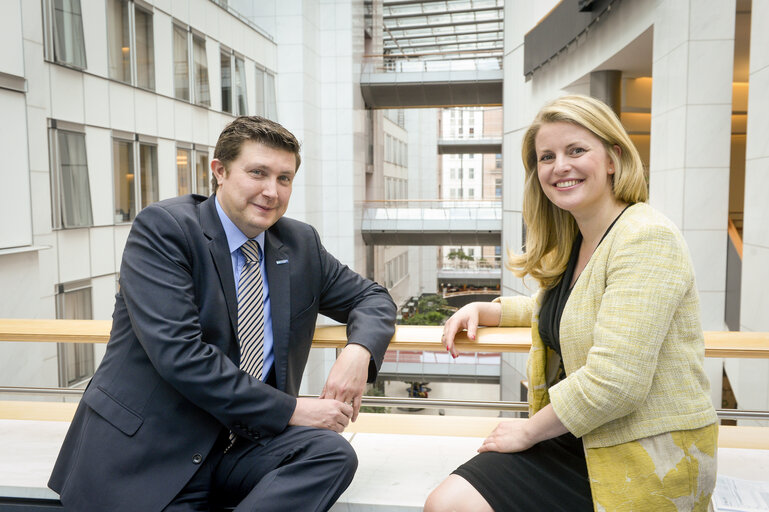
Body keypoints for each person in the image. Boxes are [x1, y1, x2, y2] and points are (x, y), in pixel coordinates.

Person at [49, 116, 396, 512]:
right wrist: (296, 409)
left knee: (332, 454)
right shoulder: (166, 230)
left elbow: (373, 297)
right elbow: (181, 356)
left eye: (284, 179)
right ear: (219, 171)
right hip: (151, 452)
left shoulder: (298, 244)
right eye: (258, 173)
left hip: (240, 448)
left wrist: (358, 353)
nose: (271, 191)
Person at [425, 95, 718, 512]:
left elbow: (616, 382)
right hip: (580, 436)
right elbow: (576, 311)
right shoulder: (581, 239)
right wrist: (489, 310)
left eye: (576, 150)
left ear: (614, 158)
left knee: (451, 505)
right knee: (447, 502)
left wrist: (527, 432)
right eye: (547, 156)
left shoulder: (646, 236)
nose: (559, 165)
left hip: (642, 452)